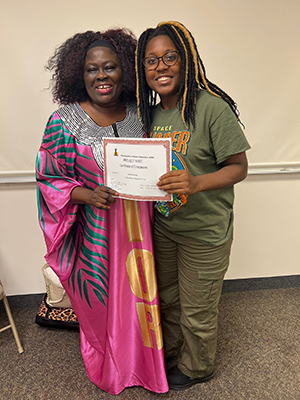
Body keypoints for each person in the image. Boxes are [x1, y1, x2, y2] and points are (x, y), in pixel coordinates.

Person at [36, 29, 168, 395]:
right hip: (95, 236)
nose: (101, 76)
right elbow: (49, 178)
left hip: (143, 230)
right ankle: (113, 365)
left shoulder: (144, 117)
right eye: (92, 70)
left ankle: (146, 366)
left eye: (110, 67)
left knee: (142, 295)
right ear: (79, 76)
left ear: (126, 70)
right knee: (104, 303)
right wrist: (87, 195)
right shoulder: (63, 122)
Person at [135, 21, 251, 391]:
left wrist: (197, 182)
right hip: (165, 228)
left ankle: (198, 367)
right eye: (151, 61)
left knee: (198, 309)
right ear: (144, 70)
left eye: (170, 57)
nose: (161, 67)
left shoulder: (211, 108)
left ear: (186, 60)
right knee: (168, 301)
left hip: (206, 231)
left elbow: (238, 167)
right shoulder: (147, 115)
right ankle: (170, 354)